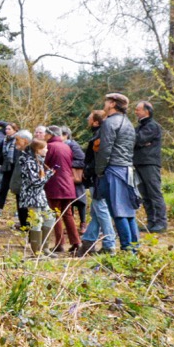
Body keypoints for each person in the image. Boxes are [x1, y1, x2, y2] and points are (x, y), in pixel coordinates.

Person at [97, 93, 141, 254]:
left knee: (118, 211)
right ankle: (134, 249)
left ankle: (127, 250)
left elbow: (105, 150)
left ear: (113, 103)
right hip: (128, 169)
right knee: (129, 212)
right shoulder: (128, 123)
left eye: (106, 101)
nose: (104, 104)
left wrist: (99, 170)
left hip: (115, 169)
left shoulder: (110, 123)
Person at [77, 109, 119, 256]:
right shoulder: (101, 133)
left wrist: (88, 171)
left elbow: (97, 159)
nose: (88, 120)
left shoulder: (100, 135)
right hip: (100, 176)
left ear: (95, 121)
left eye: (89, 118)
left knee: (101, 210)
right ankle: (88, 242)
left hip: (98, 177)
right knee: (96, 212)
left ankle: (109, 244)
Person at [15, 131, 54, 256]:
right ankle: (37, 252)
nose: (47, 150)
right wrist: (49, 175)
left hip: (40, 196)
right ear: (38, 150)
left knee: (50, 218)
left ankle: (45, 248)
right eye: (45, 148)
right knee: (36, 222)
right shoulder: (28, 161)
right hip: (31, 197)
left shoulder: (39, 160)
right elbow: (35, 182)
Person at [43, 126, 80, 252]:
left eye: (46, 134)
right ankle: (76, 242)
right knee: (68, 214)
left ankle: (59, 243)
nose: (44, 136)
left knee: (56, 214)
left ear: (50, 134)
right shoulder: (66, 146)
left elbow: (44, 164)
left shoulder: (50, 147)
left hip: (55, 184)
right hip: (68, 184)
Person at [134, 101, 167, 233]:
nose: (135, 112)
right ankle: (151, 222)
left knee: (154, 193)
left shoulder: (152, 126)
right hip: (140, 162)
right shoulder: (140, 127)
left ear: (146, 111)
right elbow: (135, 140)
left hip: (150, 163)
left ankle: (161, 223)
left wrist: (140, 142)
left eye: (138, 109)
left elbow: (137, 140)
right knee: (145, 194)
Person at [60, 126, 88, 229]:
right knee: (69, 201)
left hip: (75, 178)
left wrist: (67, 163)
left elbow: (82, 160)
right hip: (67, 177)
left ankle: (83, 223)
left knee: (80, 202)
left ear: (65, 135)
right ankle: (70, 226)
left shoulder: (73, 145)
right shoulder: (62, 145)